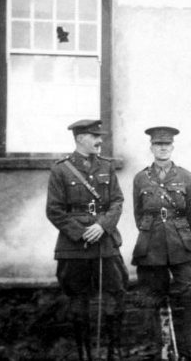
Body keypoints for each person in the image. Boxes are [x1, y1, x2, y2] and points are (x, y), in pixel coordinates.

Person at [46, 119, 127, 361]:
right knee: (78, 302)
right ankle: (85, 356)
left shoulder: (107, 167)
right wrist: (82, 232)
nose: (100, 140)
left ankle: (113, 354)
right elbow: (54, 210)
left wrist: (102, 226)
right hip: (74, 247)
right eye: (94, 136)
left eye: (99, 135)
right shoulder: (61, 170)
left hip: (105, 242)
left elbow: (117, 201)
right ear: (80, 138)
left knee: (116, 293)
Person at [132, 126, 191, 360]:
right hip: (150, 244)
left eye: (166, 144)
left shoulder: (186, 177)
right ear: (151, 147)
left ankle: (188, 347)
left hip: (181, 242)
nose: (162, 148)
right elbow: (138, 214)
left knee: (189, 294)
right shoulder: (141, 178)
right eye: (158, 144)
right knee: (151, 295)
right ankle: (156, 348)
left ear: (172, 147)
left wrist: (181, 233)